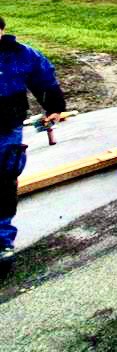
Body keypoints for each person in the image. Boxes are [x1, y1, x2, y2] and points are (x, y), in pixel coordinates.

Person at [0, 16, 65, 276]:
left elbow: (44, 79)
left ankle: (2, 243)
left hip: (6, 126)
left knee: (3, 180)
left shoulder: (20, 54)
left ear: (1, 30)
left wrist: (55, 107)